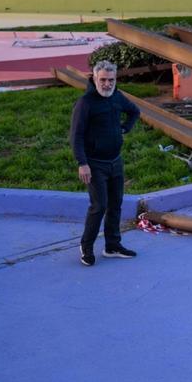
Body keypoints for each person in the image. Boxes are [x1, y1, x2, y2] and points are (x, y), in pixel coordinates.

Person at [70, 60, 141, 267]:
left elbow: (134, 111)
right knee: (99, 206)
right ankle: (86, 246)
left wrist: (125, 128)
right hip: (95, 164)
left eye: (111, 80)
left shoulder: (117, 97)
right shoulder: (85, 103)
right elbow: (76, 136)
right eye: (103, 80)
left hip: (115, 162)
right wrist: (82, 163)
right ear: (94, 78)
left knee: (115, 205)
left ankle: (112, 246)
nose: (107, 84)